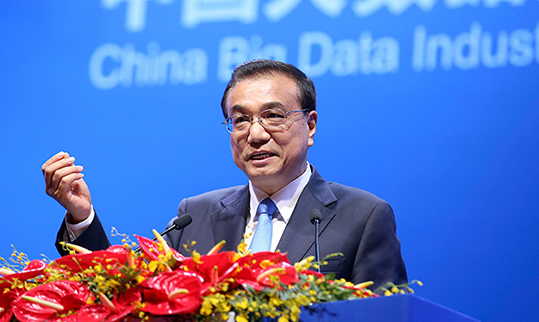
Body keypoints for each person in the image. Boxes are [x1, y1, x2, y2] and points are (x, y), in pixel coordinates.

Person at [42, 59, 407, 286]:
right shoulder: (194, 216)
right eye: (240, 119)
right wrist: (82, 217)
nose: (255, 134)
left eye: (273, 116)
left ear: (310, 126)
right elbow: (124, 294)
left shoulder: (363, 216)